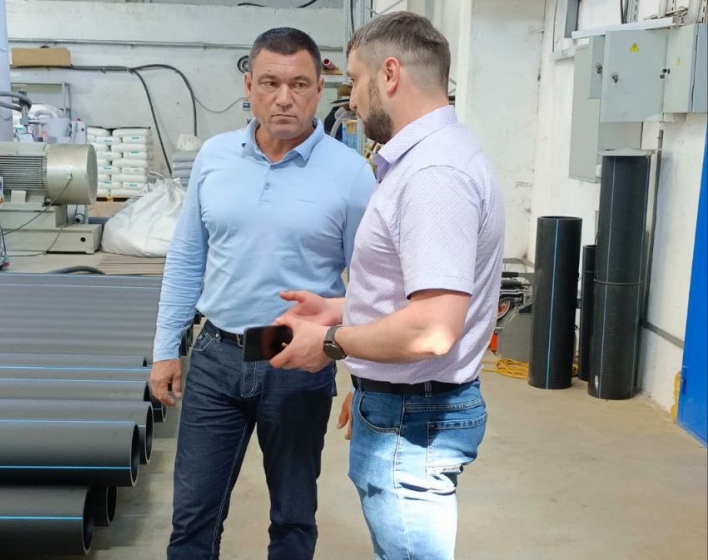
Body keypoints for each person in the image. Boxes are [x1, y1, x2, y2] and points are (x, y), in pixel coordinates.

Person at [269, 12, 505, 560]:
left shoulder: (433, 175)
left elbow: (432, 330)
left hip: (412, 418)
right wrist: (341, 309)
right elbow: (416, 290)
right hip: (406, 405)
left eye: (355, 80)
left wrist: (332, 343)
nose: (351, 99)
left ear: (390, 74)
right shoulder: (435, 157)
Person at [149, 27, 376, 560]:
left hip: (297, 357)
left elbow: (371, 286)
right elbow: (187, 257)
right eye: (270, 83)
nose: (284, 98)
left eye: (299, 84)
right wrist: (165, 349)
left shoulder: (350, 174)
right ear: (249, 86)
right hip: (216, 354)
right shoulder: (215, 157)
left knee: (293, 517)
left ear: (319, 89)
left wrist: (364, 377)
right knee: (192, 519)